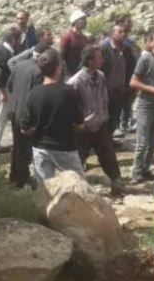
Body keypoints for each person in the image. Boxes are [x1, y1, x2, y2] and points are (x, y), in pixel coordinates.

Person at [20, 49, 85, 185]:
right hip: (66, 147)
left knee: (44, 190)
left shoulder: (33, 94)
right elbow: (79, 124)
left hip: (41, 148)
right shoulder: (68, 92)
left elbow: (24, 128)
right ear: (58, 68)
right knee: (78, 185)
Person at [68, 45, 125, 196]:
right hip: (83, 128)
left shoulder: (100, 76)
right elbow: (71, 107)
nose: (102, 60)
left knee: (108, 155)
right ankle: (76, 191)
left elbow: (104, 97)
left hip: (100, 124)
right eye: (99, 58)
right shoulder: (75, 82)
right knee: (78, 159)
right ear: (89, 61)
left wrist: (105, 115)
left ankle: (116, 182)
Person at [130, 29, 154, 183]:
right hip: (146, 105)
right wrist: (153, 90)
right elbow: (133, 82)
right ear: (151, 43)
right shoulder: (145, 59)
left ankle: (146, 169)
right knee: (142, 142)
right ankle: (136, 172)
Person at [7, 43, 49, 188]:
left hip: (14, 110)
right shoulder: (39, 71)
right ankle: (21, 179)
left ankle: (14, 176)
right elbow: (36, 97)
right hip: (27, 114)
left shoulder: (19, 65)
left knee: (17, 146)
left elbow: (9, 85)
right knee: (25, 149)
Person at [100, 21, 132, 135]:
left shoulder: (126, 50)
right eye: (120, 32)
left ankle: (110, 140)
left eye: (124, 32)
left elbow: (130, 68)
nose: (123, 34)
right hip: (104, 91)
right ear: (112, 34)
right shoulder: (103, 49)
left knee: (114, 118)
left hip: (119, 90)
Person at [60, 9, 89, 77]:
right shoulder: (67, 37)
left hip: (83, 74)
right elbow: (61, 58)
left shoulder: (84, 38)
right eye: (82, 19)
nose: (85, 21)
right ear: (75, 22)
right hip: (70, 74)